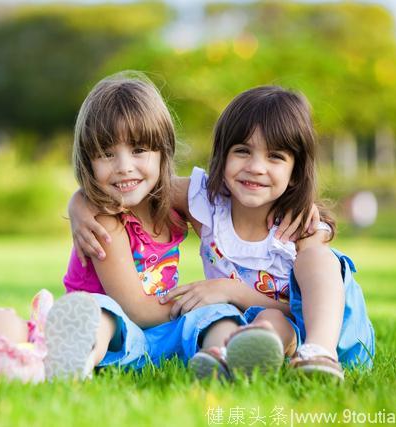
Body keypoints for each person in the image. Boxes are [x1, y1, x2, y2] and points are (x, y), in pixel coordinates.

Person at [70, 86, 375, 381]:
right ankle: (230, 355)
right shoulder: (207, 202)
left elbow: (304, 308)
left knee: (318, 261)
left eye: (275, 157)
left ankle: (319, 354)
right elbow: (141, 186)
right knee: (264, 324)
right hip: (258, 329)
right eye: (243, 151)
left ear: (296, 171)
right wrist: (80, 203)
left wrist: (233, 292)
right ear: (222, 156)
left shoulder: (300, 223)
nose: (256, 167)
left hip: (331, 333)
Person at [43, 71, 256, 381]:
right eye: (106, 154)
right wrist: (196, 300)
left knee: (218, 315)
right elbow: (136, 310)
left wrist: (300, 208)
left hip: (165, 332)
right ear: (87, 162)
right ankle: (78, 355)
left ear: (162, 151)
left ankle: (222, 356)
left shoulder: (177, 200)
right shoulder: (105, 220)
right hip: (127, 333)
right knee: (102, 313)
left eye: (139, 150)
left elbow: (238, 194)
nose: (124, 167)